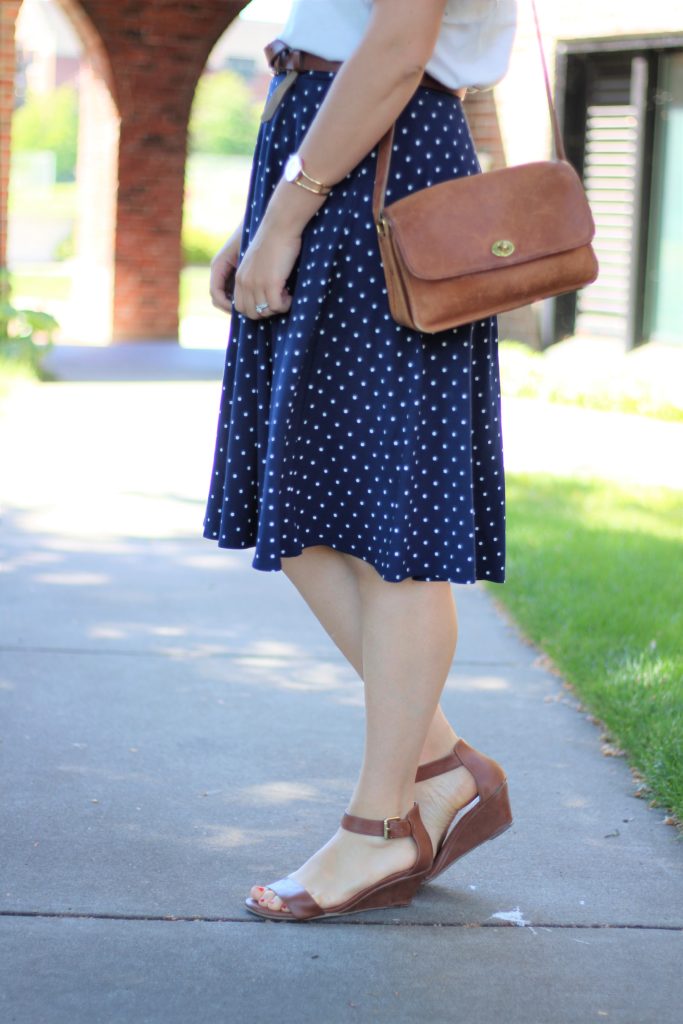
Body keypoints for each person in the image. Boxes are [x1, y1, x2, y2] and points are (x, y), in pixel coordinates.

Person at [203, 0, 517, 922]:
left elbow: (396, 42)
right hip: (333, 148)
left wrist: (286, 211)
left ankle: (382, 827)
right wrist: (263, 215)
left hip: (384, 161)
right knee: (292, 506)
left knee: (390, 525)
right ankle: (440, 771)